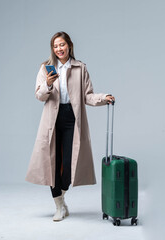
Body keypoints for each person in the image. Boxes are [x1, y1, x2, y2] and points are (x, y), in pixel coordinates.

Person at [25, 31, 115, 221]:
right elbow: (39, 95)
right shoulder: (46, 68)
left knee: (68, 164)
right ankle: (59, 206)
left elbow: (87, 96)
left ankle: (61, 196)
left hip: (72, 119)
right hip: (52, 120)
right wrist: (48, 85)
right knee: (52, 163)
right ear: (53, 49)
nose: (59, 49)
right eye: (55, 46)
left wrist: (103, 98)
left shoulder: (80, 68)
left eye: (62, 45)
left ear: (69, 46)